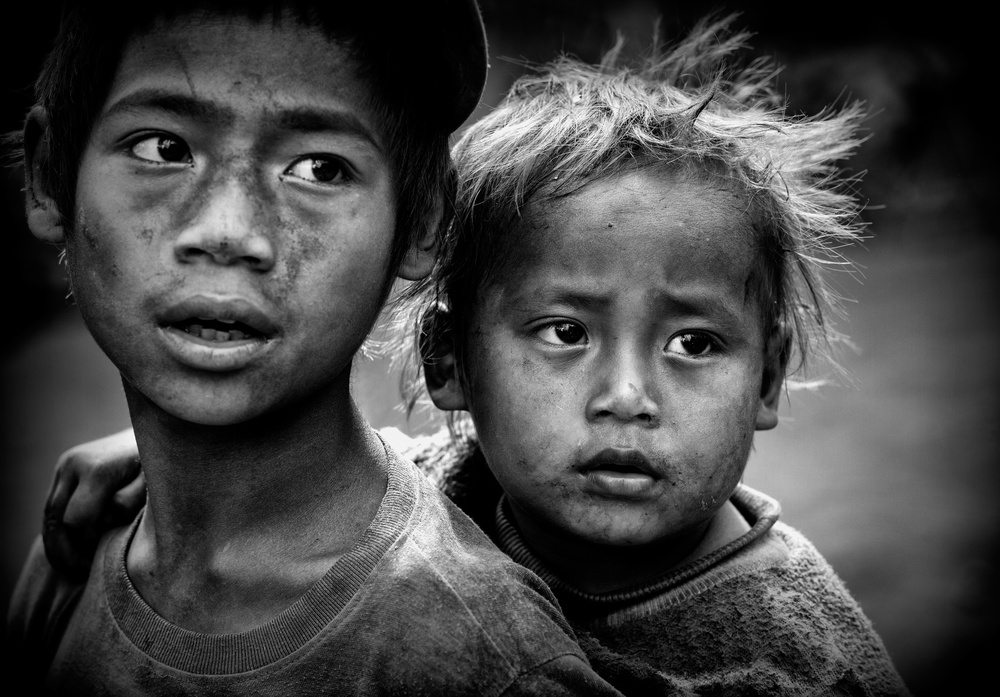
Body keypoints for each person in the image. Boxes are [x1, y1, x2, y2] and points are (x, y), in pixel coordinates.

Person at [30, 14, 912, 696]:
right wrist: (173, 459)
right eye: (567, 332)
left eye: (694, 343)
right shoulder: (468, 484)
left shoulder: (798, 660)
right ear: (449, 361)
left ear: (767, 374)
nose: (627, 396)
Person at [5, 2, 625, 694]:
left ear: (423, 222)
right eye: (164, 148)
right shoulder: (71, 556)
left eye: (319, 168)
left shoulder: (476, 659)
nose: (228, 229)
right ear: (49, 172)